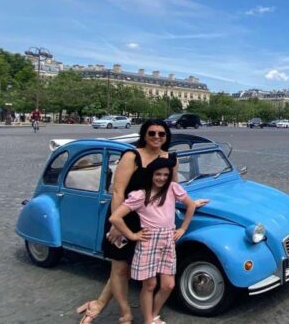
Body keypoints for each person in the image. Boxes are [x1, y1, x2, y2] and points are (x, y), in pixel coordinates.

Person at [75, 119, 208, 324]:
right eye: (152, 133)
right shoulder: (132, 155)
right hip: (126, 215)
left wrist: (191, 202)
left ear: (166, 137)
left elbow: (172, 188)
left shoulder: (170, 158)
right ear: (144, 134)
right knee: (120, 268)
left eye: (161, 134)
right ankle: (125, 313)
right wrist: (116, 225)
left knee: (132, 269)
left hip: (151, 219)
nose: (156, 137)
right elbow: (118, 190)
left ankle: (100, 303)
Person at [110, 161, 197, 324]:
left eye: (165, 174)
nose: (162, 178)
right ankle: (148, 320)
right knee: (150, 284)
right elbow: (115, 217)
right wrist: (132, 235)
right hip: (149, 241)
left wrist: (183, 229)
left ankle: (154, 314)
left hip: (168, 239)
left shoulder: (172, 188)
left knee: (168, 285)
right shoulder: (141, 195)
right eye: (158, 174)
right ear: (151, 175)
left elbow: (190, 205)